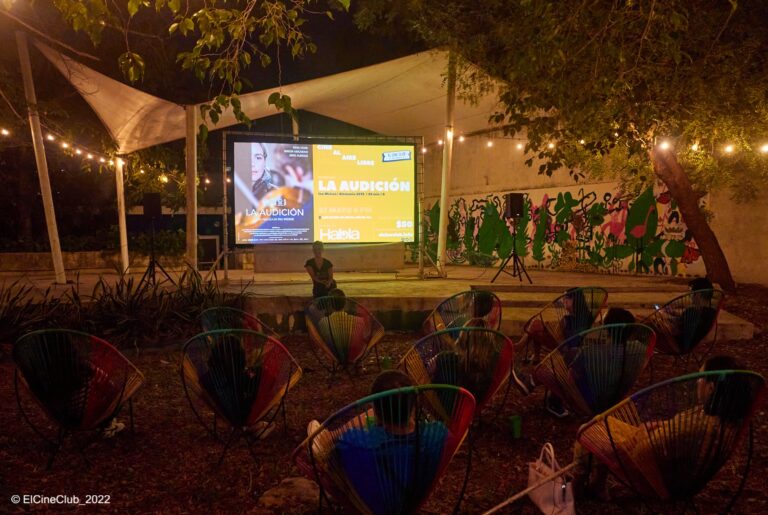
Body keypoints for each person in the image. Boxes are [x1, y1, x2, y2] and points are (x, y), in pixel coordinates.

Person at [574, 355, 751, 500]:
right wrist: (662, 427)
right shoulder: (721, 420)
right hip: (668, 466)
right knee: (605, 425)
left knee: (589, 430)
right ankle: (597, 485)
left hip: (653, 477)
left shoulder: (701, 426)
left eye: (700, 378)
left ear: (711, 388)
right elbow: (675, 437)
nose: (697, 382)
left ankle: (577, 487)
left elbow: (643, 451)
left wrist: (645, 434)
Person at [334, 371, 449, 514]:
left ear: (376, 411)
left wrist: (372, 416)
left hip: (377, 507)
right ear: (413, 405)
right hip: (415, 499)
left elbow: (337, 437)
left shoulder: (357, 445)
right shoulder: (437, 435)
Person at [315, 289, 370, 364]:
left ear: (330, 304)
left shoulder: (322, 322)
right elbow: (365, 338)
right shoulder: (360, 321)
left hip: (333, 356)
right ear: (345, 303)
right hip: (354, 356)